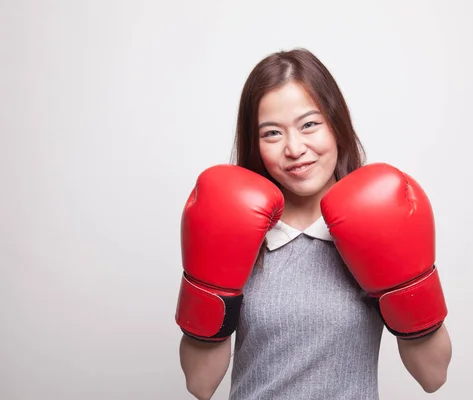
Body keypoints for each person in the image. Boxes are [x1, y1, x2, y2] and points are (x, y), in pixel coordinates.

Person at [175, 48, 452, 400]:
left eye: (309, 125)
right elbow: (200, 385)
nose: (294, 148)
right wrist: (208, 291)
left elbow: (433, 375)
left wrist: (411, 285)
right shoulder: (238, 226)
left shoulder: (375, 224)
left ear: (336, 124)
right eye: (272, 133)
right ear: (256, 144)